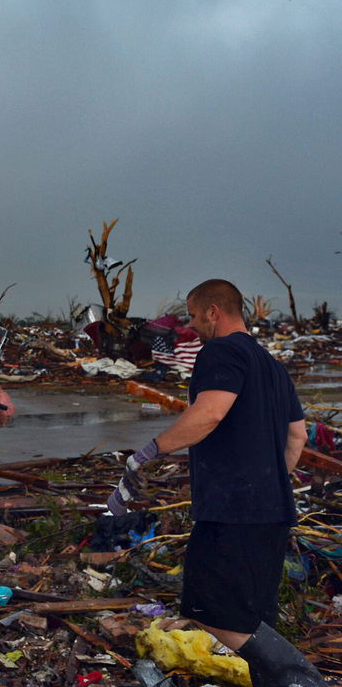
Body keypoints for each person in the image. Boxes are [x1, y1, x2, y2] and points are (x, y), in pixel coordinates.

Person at [108, 279, 326, 686]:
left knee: (215, 612)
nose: (191, 325)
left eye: (193, 315)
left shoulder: (221, 351)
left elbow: (210, 414)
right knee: (253, 616)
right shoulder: (271, 365)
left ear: (213, 311)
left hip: (233, 511)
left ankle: (304, 681)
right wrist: (270, 481)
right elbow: (297, 435)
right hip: (272, 510)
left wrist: (151, 451)